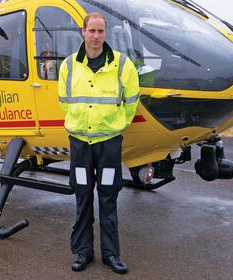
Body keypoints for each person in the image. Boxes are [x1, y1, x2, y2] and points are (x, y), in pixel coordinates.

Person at [58, 12, 140, 274]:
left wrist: (116, 126)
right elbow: (65, 103)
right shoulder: (68, 66)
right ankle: (83, 252)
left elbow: (131, 103)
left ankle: (111, 254)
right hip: (80, 144)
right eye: (91, 31)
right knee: (82, 197)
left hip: (108, 144)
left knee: (108, 197)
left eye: (100, 31)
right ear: (82, 32)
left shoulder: (123, 65)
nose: (96, 36)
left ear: (106, 34)